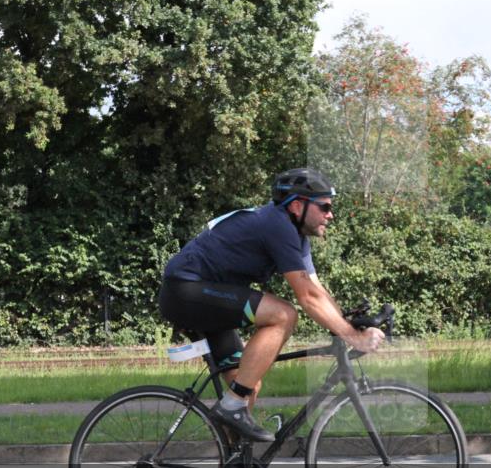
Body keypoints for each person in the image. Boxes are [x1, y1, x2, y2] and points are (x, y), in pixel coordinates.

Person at [159, 168, 385, 442]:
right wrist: (353, 337)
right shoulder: (277, 225)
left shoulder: (295, 235)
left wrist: (346, 325)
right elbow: (307, 298)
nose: (330, 214)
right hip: (186, 290)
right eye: (324, 206)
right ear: (298, 205)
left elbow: (316, 289)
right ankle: (232, 406)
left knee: (247, 383)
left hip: (205, 298)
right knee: (283, 314)